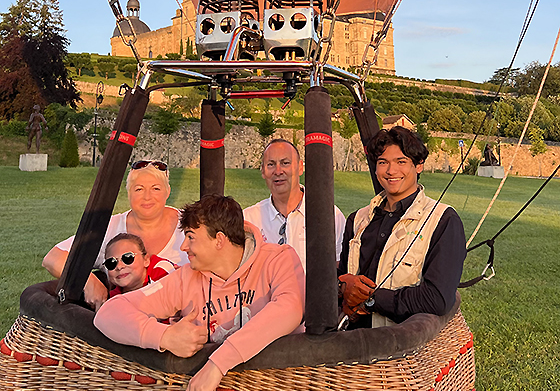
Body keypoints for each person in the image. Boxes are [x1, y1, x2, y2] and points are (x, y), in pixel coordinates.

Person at [94, 195, 305, 391]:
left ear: (219, 240)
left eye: (191, 237)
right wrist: (165, 337)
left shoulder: (277, 260)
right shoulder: (187, 278)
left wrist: (218, 363)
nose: (184, 246)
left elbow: (289, 309)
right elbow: (108, 313)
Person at [338, 126, 466, 329]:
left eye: (401, 161)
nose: (391, 171)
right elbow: (343, 277)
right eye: (383, 162)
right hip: (349, 342)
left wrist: (372, 300)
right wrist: (342, 288)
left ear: (419, 165)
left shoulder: (443, 220)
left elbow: (437, 298)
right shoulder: (357, 220)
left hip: (402, 348)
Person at [42, 160, 187, 310]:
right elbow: (53, 258)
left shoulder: (190, 224)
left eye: (156, 188)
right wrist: (88, 281)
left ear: (168, 191)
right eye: (139, 189)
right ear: (128, 192)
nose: (147, 197)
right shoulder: (109, 227)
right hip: (125, 321)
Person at [243, 139, 346, 271]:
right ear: (262, 171)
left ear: (300, 167)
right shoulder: (249, 220)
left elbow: (340, 268)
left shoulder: (330, 216)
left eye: (285, 163)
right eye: (271, 164)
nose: (278, 171)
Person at [103, 233, 175, 297]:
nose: (119, 266)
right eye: (111, 263)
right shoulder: (114, 297)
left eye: (128, 258)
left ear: (146, 260)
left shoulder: (162, 270)